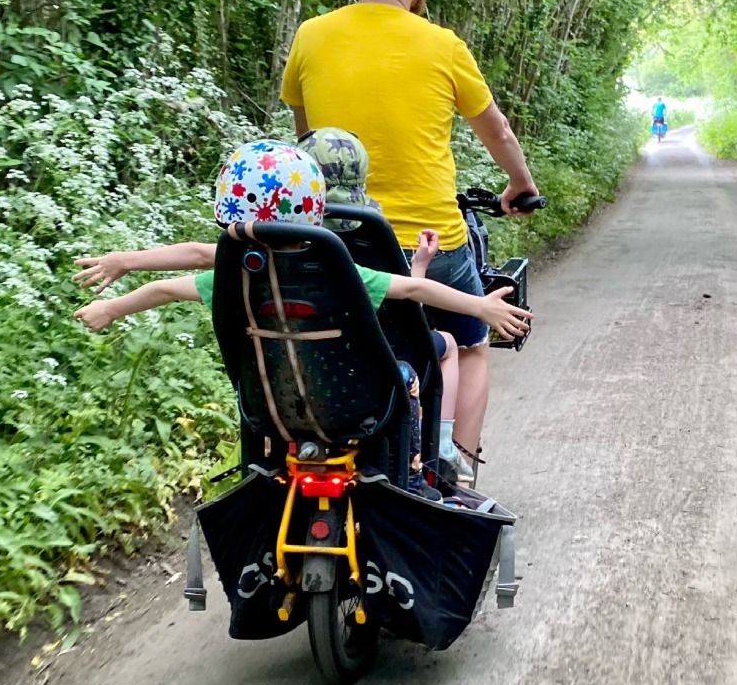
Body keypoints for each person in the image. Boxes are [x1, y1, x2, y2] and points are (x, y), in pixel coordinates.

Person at [72, 140, 529, 490]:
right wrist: (481, 306)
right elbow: (411, 288)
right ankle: (425, 463)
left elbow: (170, 281)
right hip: (358, 400)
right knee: (433, 356)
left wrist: (113, 302)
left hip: (273, 406)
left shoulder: (235, 277)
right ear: (317, 204)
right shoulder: (339, 271)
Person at [279, 0, 538, 469]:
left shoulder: (311, 36)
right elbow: (494, 129)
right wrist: (519, 185)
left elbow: (307, 142)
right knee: (472, 343)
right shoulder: (441, 44)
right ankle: (455, 469)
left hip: (333, 239)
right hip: (430, 239)